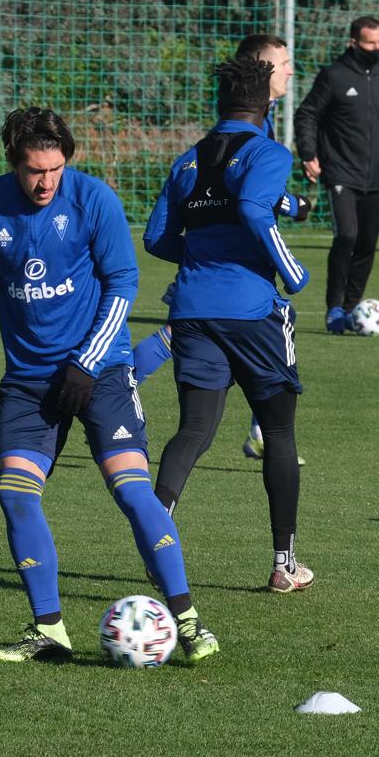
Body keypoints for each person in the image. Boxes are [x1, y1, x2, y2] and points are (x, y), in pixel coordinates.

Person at [0, 106, 218, 665]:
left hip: (101, 371)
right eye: (35, 170)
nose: (46, 182)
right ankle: (49, 630)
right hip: (29, 380)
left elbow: (123, 283)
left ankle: (187, 619)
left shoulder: (93, 200)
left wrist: (87, 362)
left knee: (131, 489)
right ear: (14, 162)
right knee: (14, 492)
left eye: (55, 169)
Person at [143, 55, 313, 593]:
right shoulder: (268, 152)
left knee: (194, 430)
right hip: (252, 312)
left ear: (219, 103)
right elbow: (255, 209)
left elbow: (157, 239)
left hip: (192, 310)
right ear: (266, 103)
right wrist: (292, 271)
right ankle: (283, 564)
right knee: (280, 433)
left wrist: (201, 260)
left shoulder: (188, 161)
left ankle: (155, 531)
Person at [131, 34, 311, 465]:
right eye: (282, 62)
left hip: (211, 272)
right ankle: (118, 381)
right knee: (232, 334)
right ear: (261, 70)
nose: (289, 70)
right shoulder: (253, 126)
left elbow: (243, 192)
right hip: (228, 275)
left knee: (205, 345)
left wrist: (288, 203)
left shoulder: (248, 124)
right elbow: (244, 197)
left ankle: (258, 431)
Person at [294, 16, 379, 333]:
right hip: (340, 171)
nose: (377, 48)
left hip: (377, 176)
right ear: (354, 42)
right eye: (370, 43)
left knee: (367, 243)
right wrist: (309, 154)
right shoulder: (334, 76)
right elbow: (308, 114)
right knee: (347, 236)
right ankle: (334, 309)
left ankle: (353, 306)